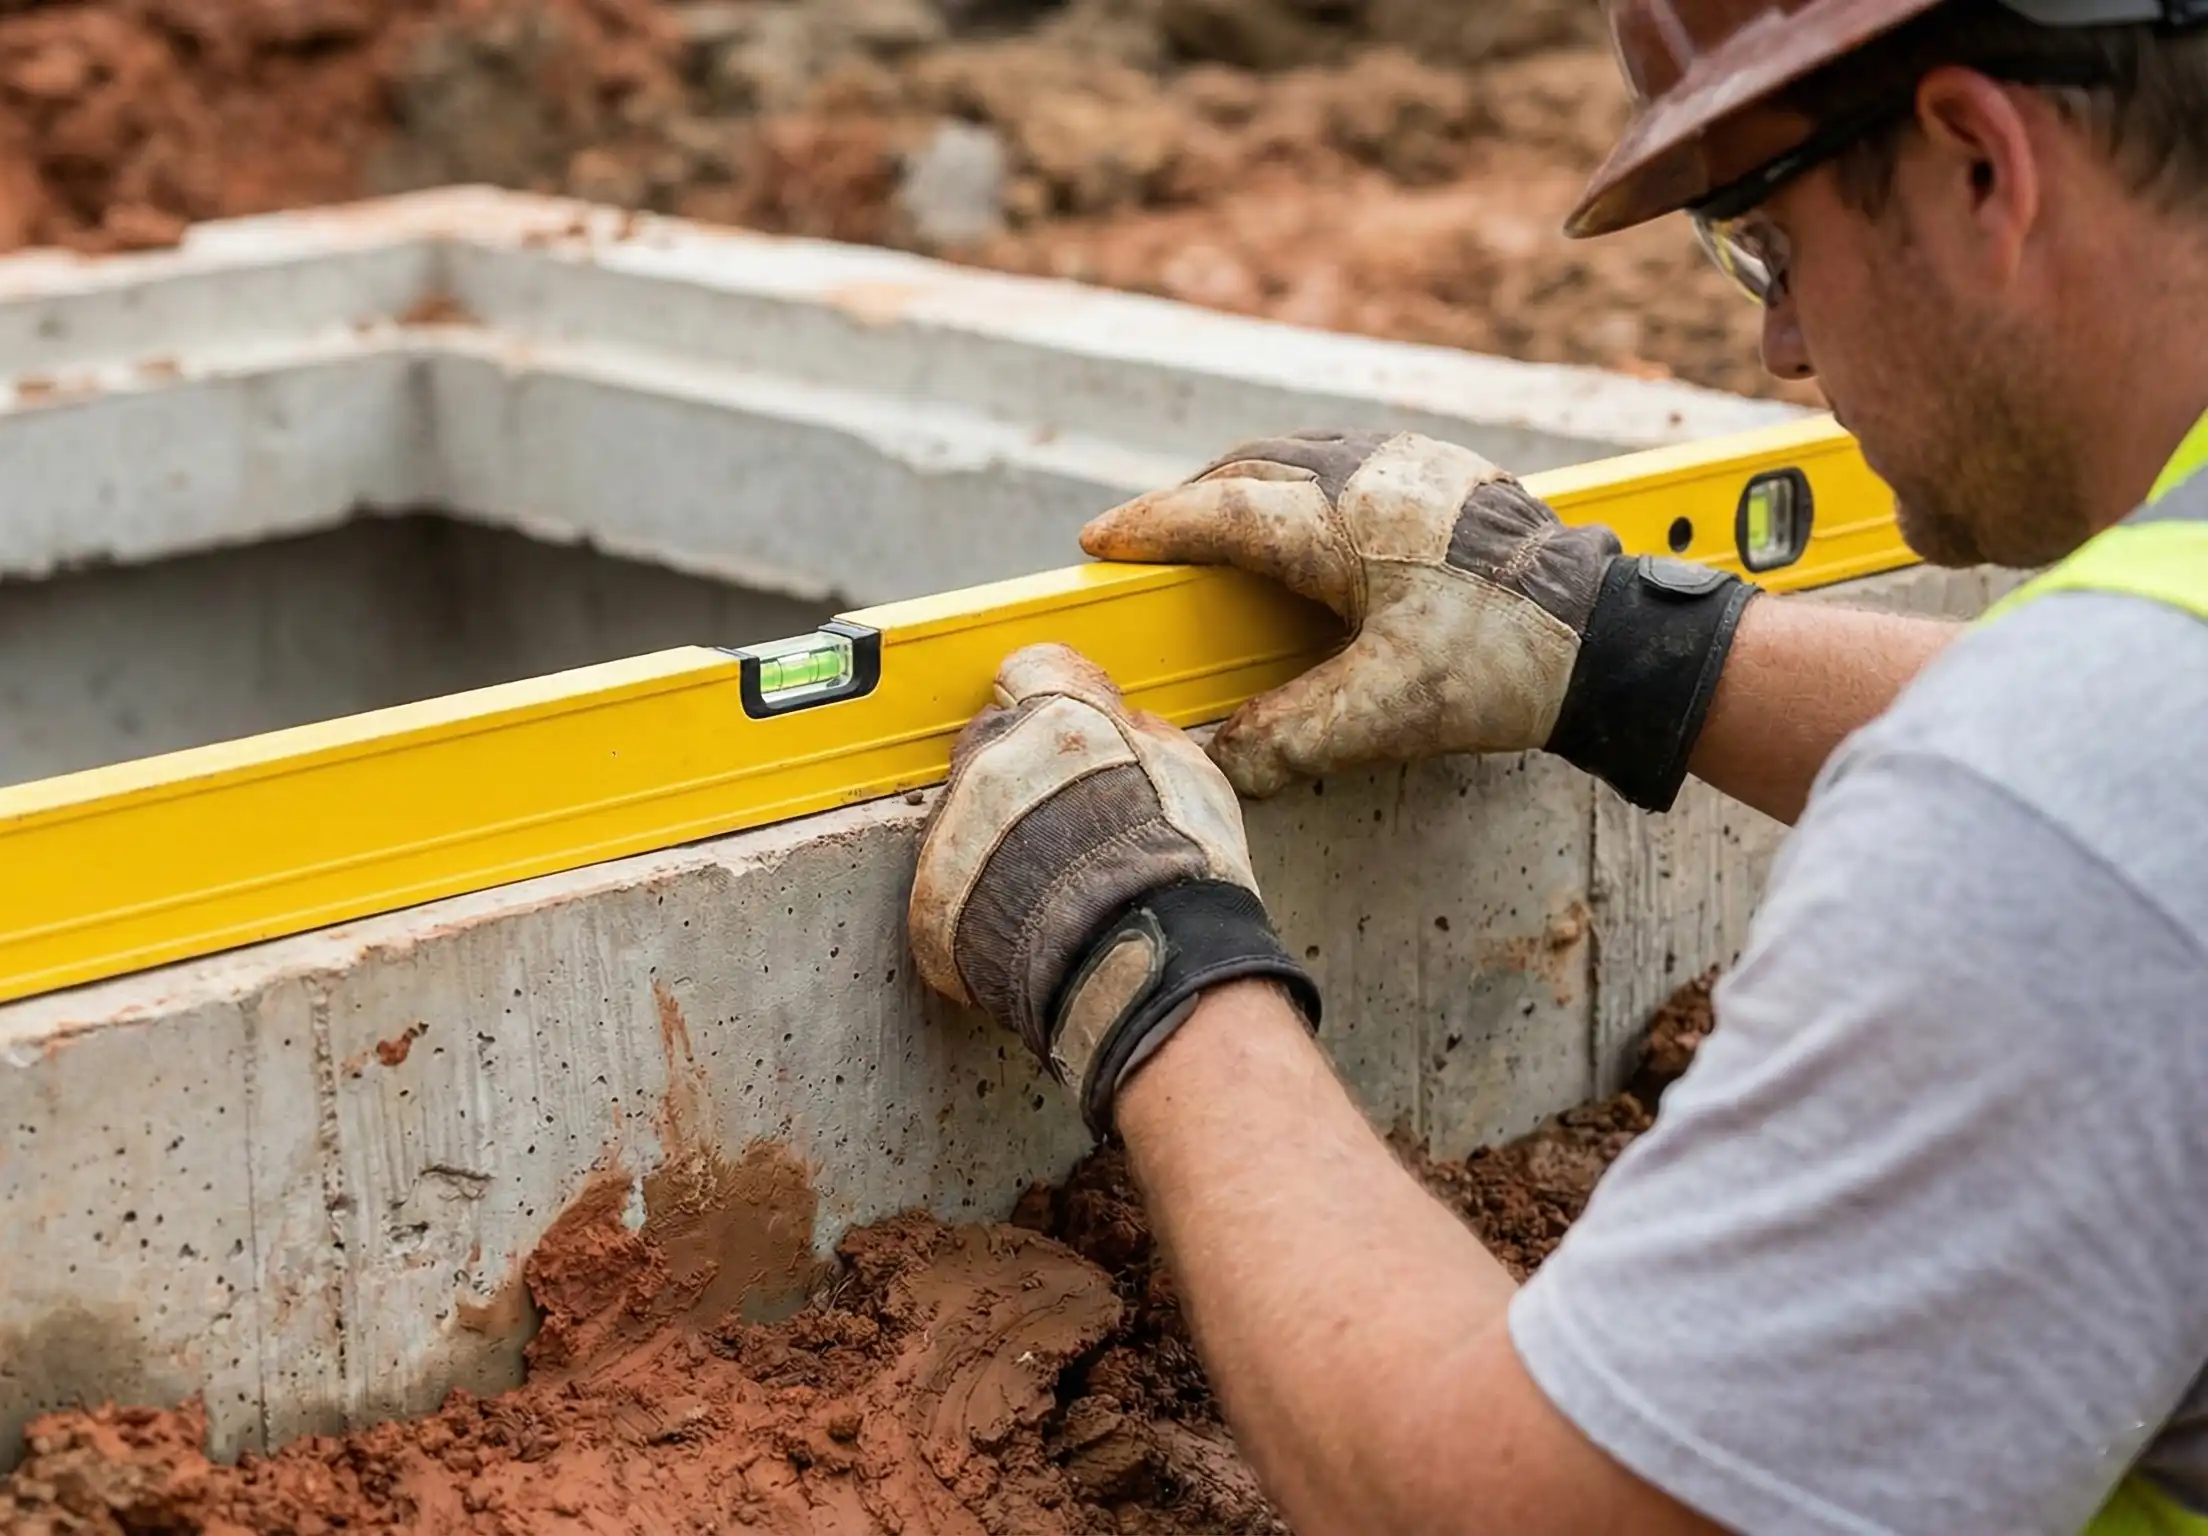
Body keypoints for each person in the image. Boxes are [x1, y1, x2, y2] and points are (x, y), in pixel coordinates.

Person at [903, 1, 2208, 1530]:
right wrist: (1625, 644)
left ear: (1980, 163)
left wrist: (1147, 960)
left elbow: (1526, 1510)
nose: (1782, 345)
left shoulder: (2069, 806)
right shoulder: (2116, 756)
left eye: (1768, 245)